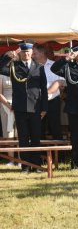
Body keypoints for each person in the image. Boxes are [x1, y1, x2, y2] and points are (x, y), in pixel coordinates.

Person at [0, 42, 48, 173]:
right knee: (23, 137)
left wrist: (44, 108)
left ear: (32, 53)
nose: (26, 54)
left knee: (36, 136)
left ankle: (36, 165)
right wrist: (7, 57)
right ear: (20, 53)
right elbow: (0, 68)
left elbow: (43, 89)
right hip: (20, 107)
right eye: (23, 52)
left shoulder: (39, 67)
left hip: (36, 107)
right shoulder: (14, 66)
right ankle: (25, 166)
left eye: (28, 52)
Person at [0, 74, 16, 165]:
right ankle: (12, 160)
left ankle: (21, 160)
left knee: (21, 134)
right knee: (9, 134)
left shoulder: (20, 72)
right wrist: (8, 104)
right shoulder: (1, 74)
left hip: (19, 106)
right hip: (5, 106)